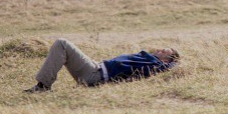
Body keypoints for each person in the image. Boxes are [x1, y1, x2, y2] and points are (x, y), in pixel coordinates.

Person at [25, 38, 179, 92]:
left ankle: (43, 87)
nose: (158, 50)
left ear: (167, 60)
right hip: (96, 67)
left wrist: (177, 64)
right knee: (63, 47)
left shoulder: (158, 64)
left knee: (62, 43)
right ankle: (43, 85)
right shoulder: (151, 60)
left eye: (163, 51)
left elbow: (173, 67)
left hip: (95, 75)